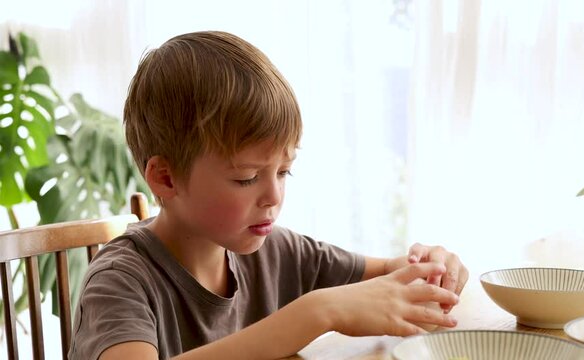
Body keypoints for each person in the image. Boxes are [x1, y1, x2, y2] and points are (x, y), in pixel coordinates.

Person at [69, 30, 468, 360]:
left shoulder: (276, 251)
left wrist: (429, 269)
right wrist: (317, 311)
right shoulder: (119, 281)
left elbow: (383, 275)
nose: (274, 195)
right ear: (166, 179)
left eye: (283, 171)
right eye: (246, 177)